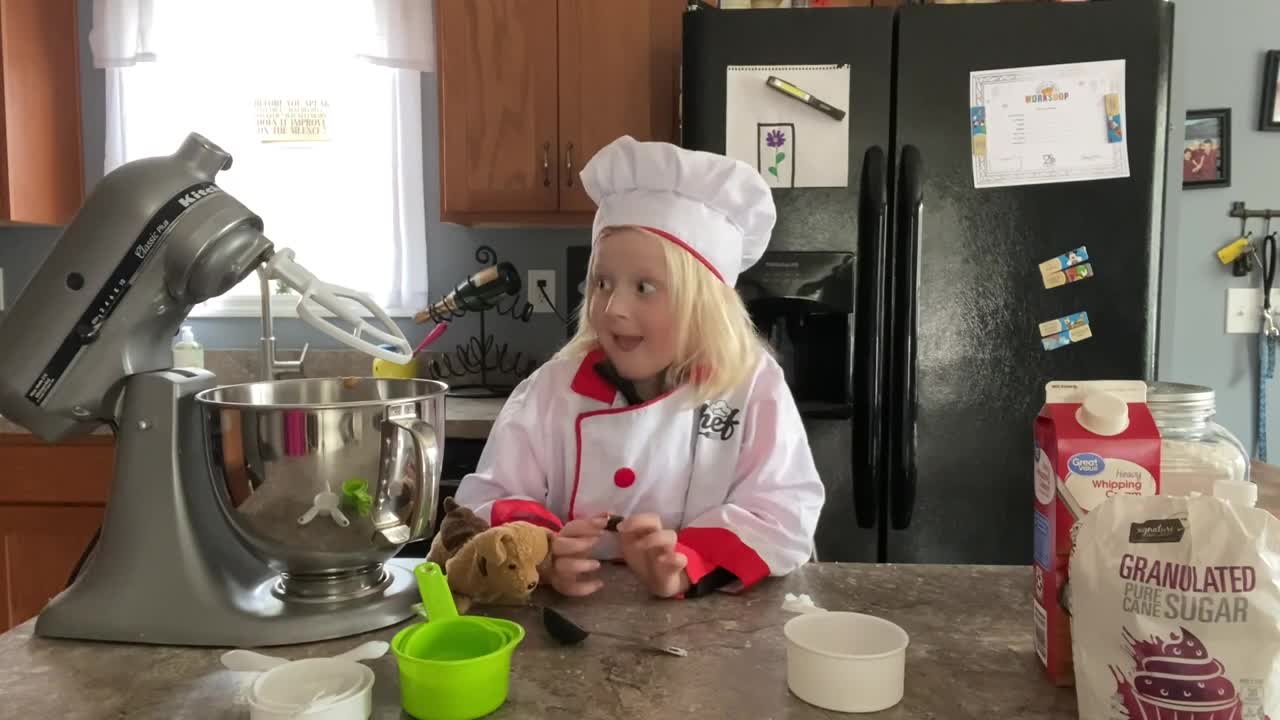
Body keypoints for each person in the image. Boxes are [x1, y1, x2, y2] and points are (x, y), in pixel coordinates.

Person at [454, 135, 825, 600]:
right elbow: (488, 497)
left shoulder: (751, 387)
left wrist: (687, 562)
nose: (612, 309)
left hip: (710, 635)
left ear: (705, 305)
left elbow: (781, 509)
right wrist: (544, 553)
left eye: (644, 287)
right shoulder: (552, 389)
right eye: (602, 283)